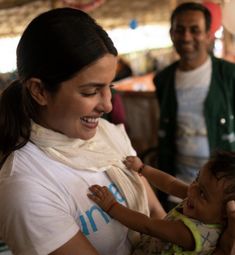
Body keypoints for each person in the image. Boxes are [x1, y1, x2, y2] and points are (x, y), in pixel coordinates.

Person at [0, 8, 166, 255]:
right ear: (40, 91)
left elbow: (157, 216)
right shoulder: (26, 188)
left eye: (109, 86)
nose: (108, 105)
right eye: (90, 91)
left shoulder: (108, 135)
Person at [153, 2, 235, 209]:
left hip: (222, 196)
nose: (186, 37)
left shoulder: (229, 76)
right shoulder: (163, 79)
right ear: (171, 34)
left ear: (208, 34)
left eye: (195, 30)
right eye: (179, 30)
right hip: (177, 189)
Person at [88, 151, 235, 254]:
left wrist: (112, 206)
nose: (192, 188)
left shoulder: (191, 234)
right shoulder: (198, 199)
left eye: (202, 192)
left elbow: (148, 225)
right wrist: (142, 169)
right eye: (197, 178)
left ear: (225, 214)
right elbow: (170, 183)